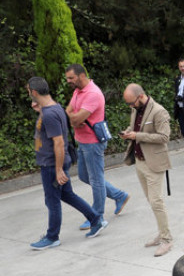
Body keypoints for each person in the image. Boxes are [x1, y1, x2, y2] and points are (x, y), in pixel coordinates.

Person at [27, 76, 105, 249]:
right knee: (66, 194)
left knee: (52, 200)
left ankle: (52, 236)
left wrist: (58, 169)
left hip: (51, 164)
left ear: (33, 92)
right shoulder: (52, 109)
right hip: (53, 163)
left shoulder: (49, 114)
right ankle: (95, 220)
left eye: (28, 91)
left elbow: (59, 142)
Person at [65, 64, 130, 230]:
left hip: (93, 142)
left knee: (95, 180)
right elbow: (68, 111)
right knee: (85, 176)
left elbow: (76, 119)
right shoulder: (78, 91)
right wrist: (74, 117)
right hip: (82, 141)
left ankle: (97, 216)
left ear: (81, 75)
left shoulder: (93, 93)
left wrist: (74, 118)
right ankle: (119, 196)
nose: (68, 81)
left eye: (71, 78)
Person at [120, 84, 174, 256]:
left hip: (154, 162)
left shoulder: (159, 111)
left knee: (156, 201)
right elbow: (134, 128)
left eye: (131, 103)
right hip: (140, 161)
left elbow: (164, 137)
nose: (130, 107)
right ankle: (162, 232)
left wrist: (137, 136)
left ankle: (167, 239)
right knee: (151, 200)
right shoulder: (136, 109)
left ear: (141, 96)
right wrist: (128, 132)